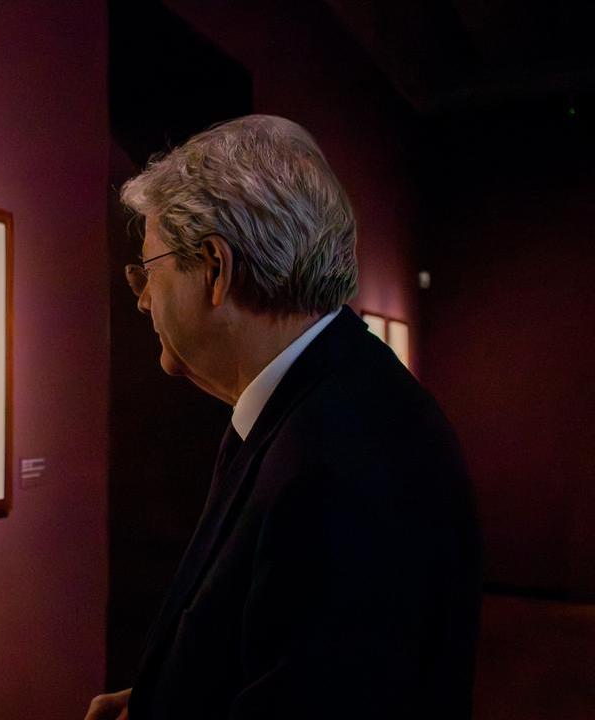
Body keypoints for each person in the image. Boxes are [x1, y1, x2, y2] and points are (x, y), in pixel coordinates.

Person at [87, 115, 481, 719]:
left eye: (148, 269)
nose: (141, 298)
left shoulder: (340, 461)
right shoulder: (319, 400)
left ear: (214, 269)